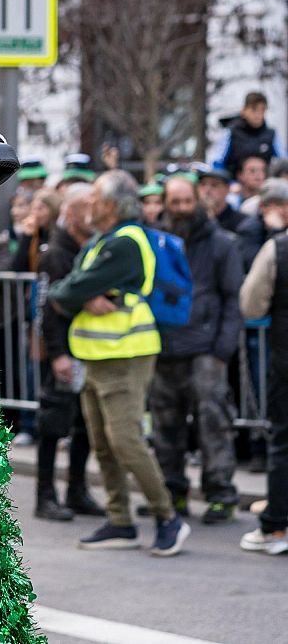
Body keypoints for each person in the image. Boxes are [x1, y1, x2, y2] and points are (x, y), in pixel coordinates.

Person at [46, 170, 190, 556]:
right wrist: (77, 293)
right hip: (98, 356)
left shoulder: (125, 243)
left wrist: (77, 293)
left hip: (125, 356)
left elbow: (69, 289)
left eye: (94, 198)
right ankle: (120, 521)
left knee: (125, 440)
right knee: (103, 444)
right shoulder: (103, 241)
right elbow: (65, 290)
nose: (89, 205)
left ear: (111, 205)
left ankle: (167, 518)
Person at [147, 175, 242, 524]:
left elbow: (233, 299)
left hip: (206, 351)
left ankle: (220, 494)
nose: (183, 208)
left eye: (188, 201)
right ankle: (173, 493)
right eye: (176, 202)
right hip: (163, 347)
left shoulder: (221, 243)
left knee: (213, 422)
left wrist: (221, 350)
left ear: (198, 200)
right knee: (165, 425)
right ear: (166, 203)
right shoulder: (154, 240)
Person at [32, 185, 104, 521]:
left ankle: (77, 490)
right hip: (64, 351)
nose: (94, 212)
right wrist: (58, 354)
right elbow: (48, 309)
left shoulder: (91, 248)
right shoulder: (56, 253)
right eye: (86, 206)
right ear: (71, 212)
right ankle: (45, 495)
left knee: (83, 424)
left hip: (88, 347)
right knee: (53, 422)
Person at [237, 177, 288, 555]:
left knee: (283, 441)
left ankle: (275, 528)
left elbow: (251, 305)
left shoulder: (278, 249)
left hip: (285, 360)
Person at [214, 91, 280, 179]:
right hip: (234, 185)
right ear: (243, 111)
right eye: (254, 109)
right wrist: (228, 184)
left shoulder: (271, 134)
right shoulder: (230, 132)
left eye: (262, 109)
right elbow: (217, 162)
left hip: (263, 186)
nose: (258, 114)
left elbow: (283, 160)